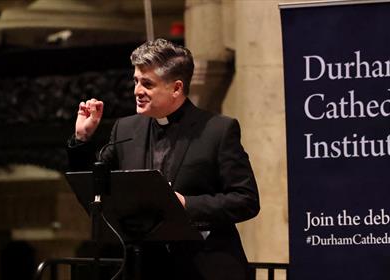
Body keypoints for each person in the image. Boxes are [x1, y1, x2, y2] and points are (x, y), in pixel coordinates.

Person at [67, 38, 260, 280]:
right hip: (145, 268)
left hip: (204, 268)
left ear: (176, 88)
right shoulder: (125, 129)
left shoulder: (218, 130)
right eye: (136, 81)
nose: (137, 91)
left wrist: (187, 204)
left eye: (147, 84)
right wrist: (82, 138)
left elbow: (246, 200)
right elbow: (95, 189)